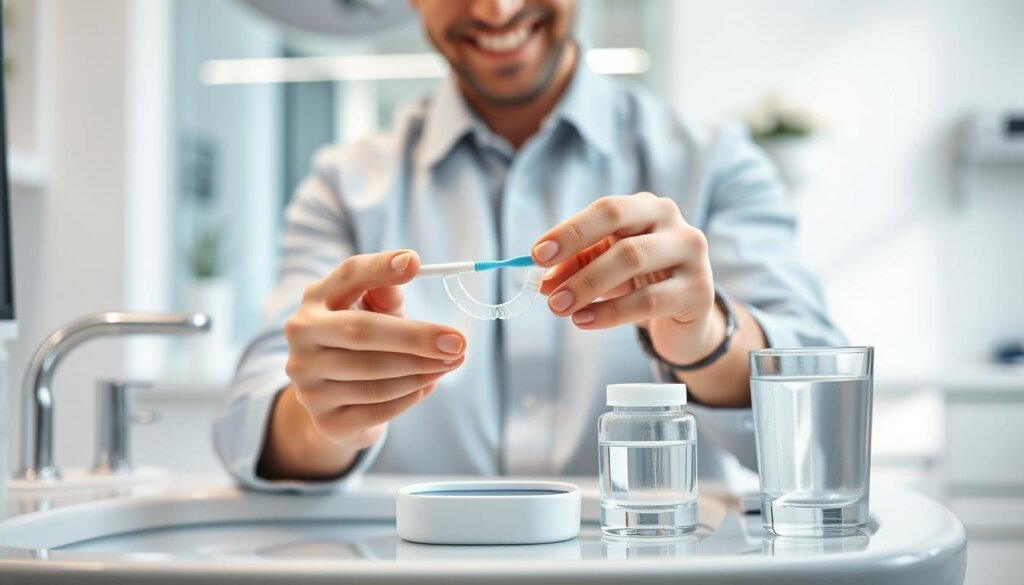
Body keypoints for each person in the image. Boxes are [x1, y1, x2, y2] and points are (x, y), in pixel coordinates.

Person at [214, 0, 845, 491]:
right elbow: (250, 432)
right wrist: (323, 416)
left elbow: (825, 431)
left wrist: (707, 341)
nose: (497, 10)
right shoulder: (342, 188)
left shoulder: (715, 165)